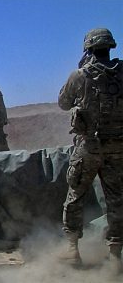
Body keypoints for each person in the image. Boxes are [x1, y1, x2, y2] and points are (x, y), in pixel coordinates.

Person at [57, 28, 123, 275]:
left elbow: (63, 103)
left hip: (88, 147)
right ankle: (115, 255)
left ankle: (72, 249)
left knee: (75, 195)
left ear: (88, 49)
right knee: (117, 198)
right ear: (110, 47)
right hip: (117, 147)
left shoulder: (80, 75)